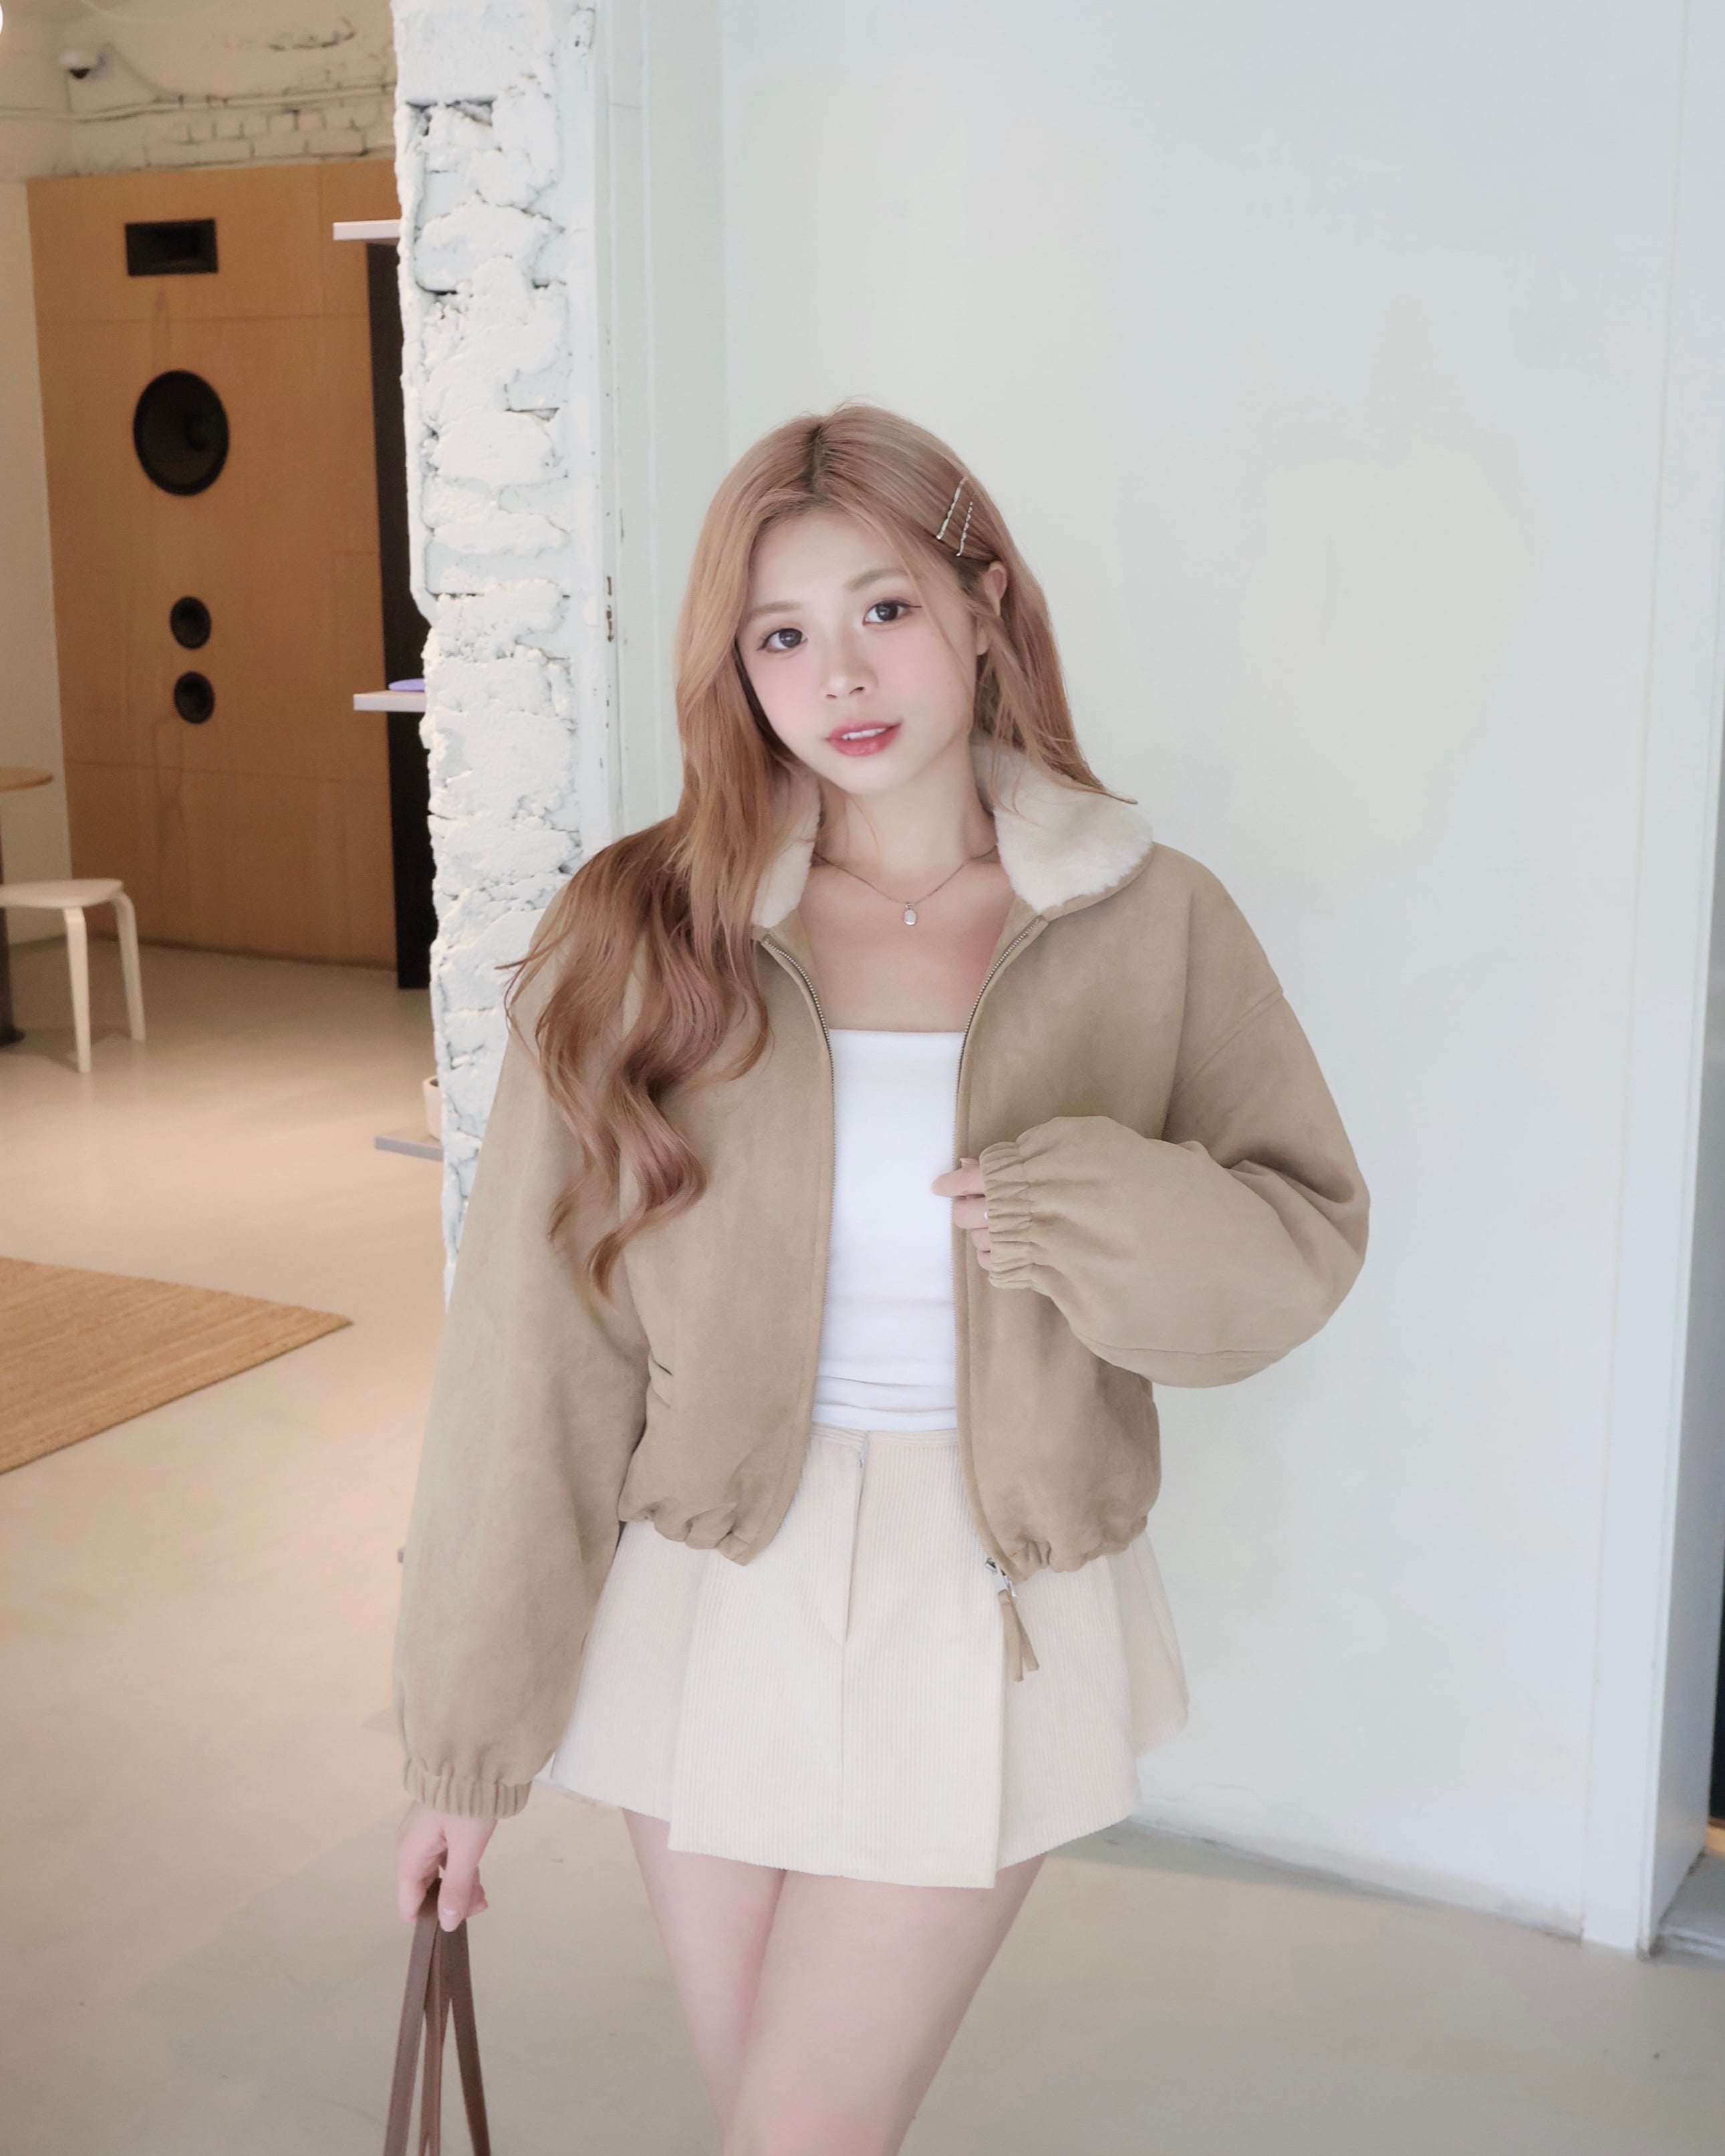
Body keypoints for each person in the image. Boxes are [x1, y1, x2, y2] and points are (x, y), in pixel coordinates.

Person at [390, 402, 1369, 2154]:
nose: (837, 674)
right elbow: (533, 1357)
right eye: (779, 635)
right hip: (708, 1585)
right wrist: (462, 1749)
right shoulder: (647, 929)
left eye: (885, 608)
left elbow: (1303, 1233)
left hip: (981, 1583)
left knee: (799, 2131)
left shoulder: (1147, 915)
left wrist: (1081, 1205)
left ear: (984, 605)